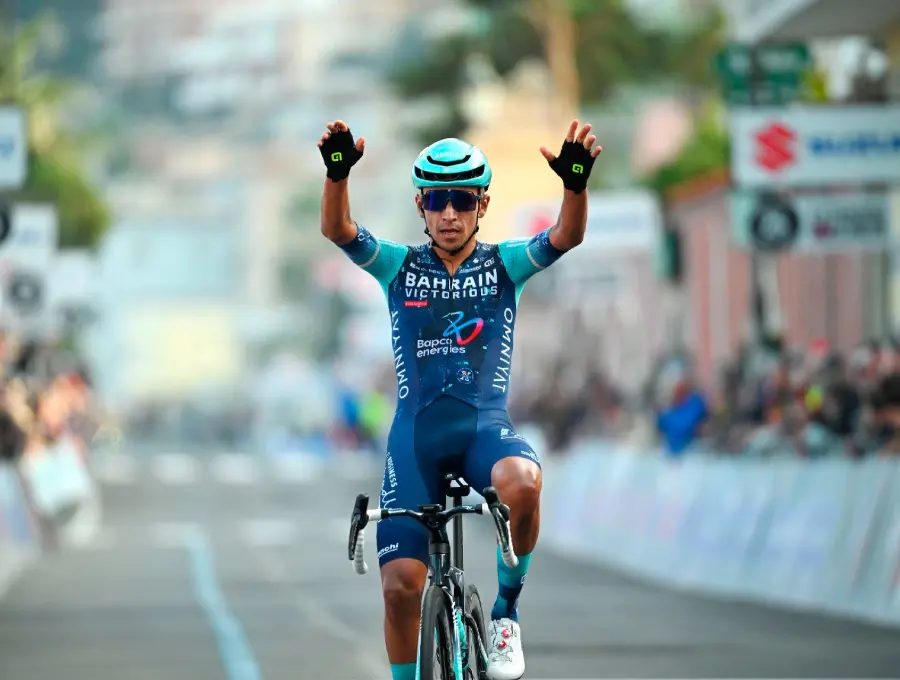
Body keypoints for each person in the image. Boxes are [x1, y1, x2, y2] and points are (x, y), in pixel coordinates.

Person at [317, 119, 601, 680]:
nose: (450, 214)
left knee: (523, 482)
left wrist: (574, 186)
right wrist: (337, 175)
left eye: (463, 201)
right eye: (439, 201)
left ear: (482, 205)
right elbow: (339, 230)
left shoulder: (505, 265)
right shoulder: (398, 266)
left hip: (482, 431)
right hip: (415, 442)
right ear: (422, 206)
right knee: (400, 586)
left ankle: (504, 613)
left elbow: (566, 236)